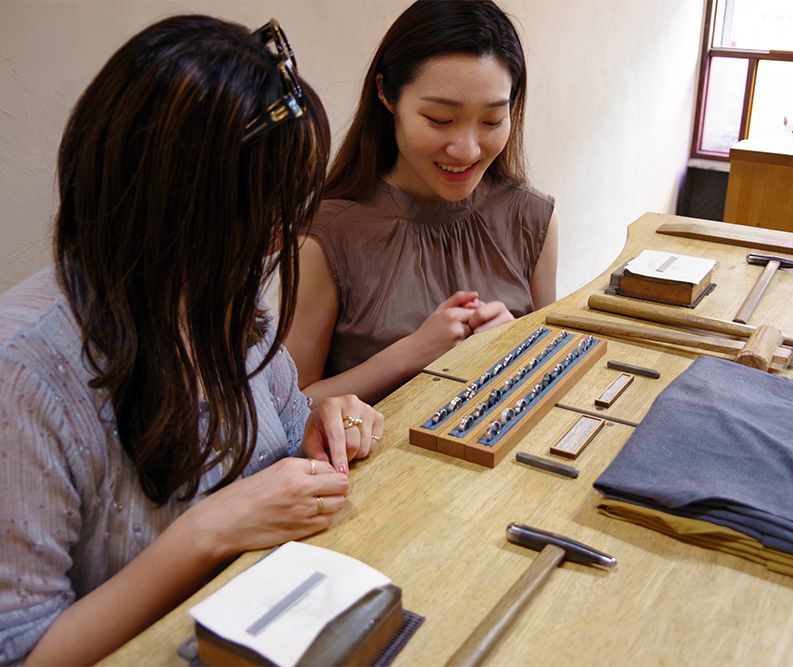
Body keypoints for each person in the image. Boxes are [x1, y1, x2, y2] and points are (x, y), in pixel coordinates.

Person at [0, 16, 384, 665]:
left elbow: (283, 444)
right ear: (171, 205)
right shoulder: (27, 372)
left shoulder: (217, 307)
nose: (278, 239)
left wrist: (322, 424)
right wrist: (210, 529)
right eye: (261, 213)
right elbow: (26, 650)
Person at [286, 0, 559, 404]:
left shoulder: (531, 217)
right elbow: (288, 412)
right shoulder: (327, 234)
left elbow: (550, 373)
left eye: (491, 121)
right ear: (386, 94)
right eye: (439, 119)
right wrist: (411, 354)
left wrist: (515, 343)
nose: (466, 150)